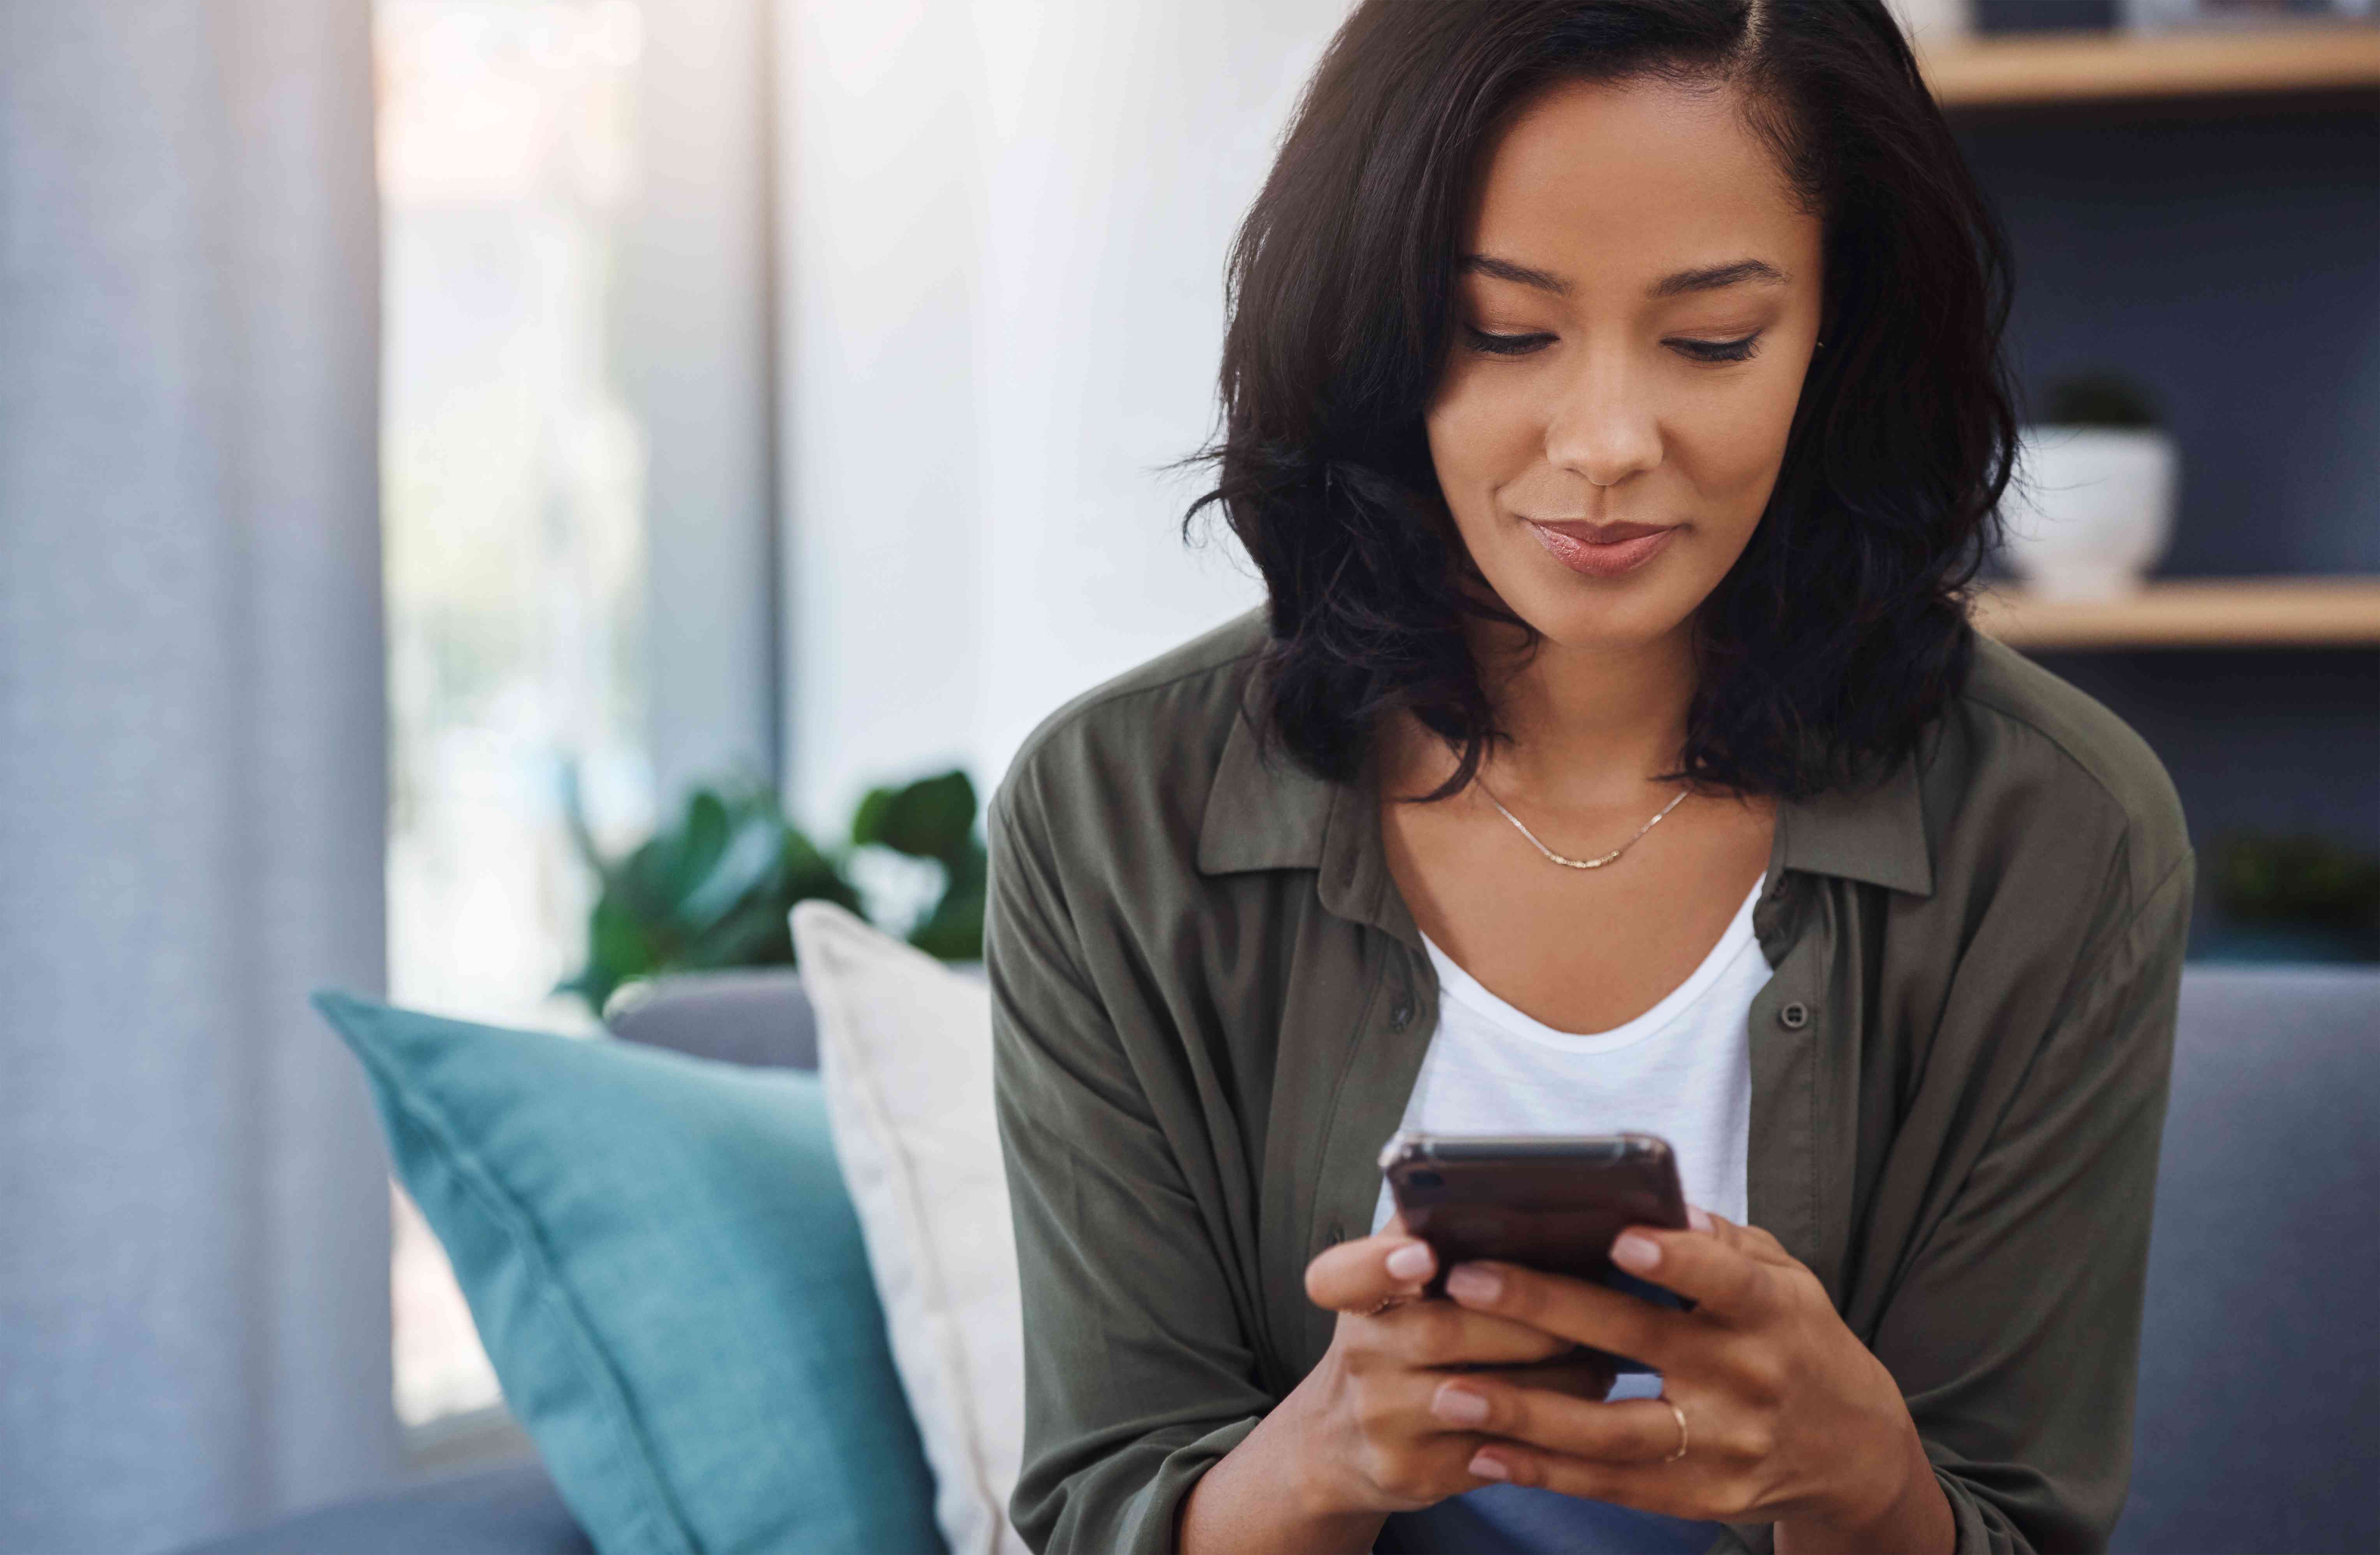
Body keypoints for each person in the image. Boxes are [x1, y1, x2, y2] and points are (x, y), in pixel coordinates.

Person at [984, 2, 2192, 1552]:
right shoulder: (1111, 816)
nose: (1609, 439)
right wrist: (1328, 1453)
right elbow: (1098, 1506)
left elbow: (2017, 1524)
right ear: (1368, 332)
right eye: (1501, 330)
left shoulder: (2058, 835)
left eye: (1709, 340)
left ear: (1840, 336)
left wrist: (1864, 1477)